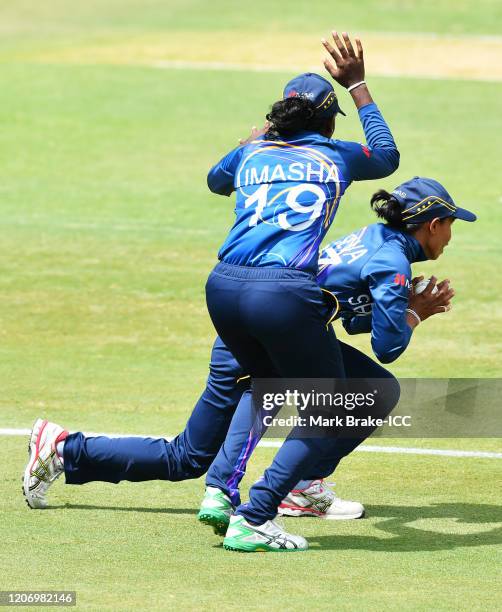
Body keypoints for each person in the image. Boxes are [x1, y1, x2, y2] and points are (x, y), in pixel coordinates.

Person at [24, 33, 401, 552]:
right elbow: (386, 155)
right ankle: (261, 510)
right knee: (333, 408)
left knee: (231, 414)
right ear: (330, 122)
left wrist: (259, 138)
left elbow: (214, 179)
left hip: (224, 289)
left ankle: (80, 454)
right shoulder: (336, 155)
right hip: (283, 294)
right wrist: (358, 84)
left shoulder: (251, 155)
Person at [22, 178, 475, 541]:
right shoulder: (391, 260)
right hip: (275, 336)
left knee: (188, 455)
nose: (452, 237)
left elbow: (354, 321)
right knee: (332, 401)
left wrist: (398, 306)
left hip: (255, 325)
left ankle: (63, 448)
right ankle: (262, 498)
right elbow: (388, 346)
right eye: (451, 224)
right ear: (432, 224)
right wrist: (415, 311)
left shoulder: (373, 238)